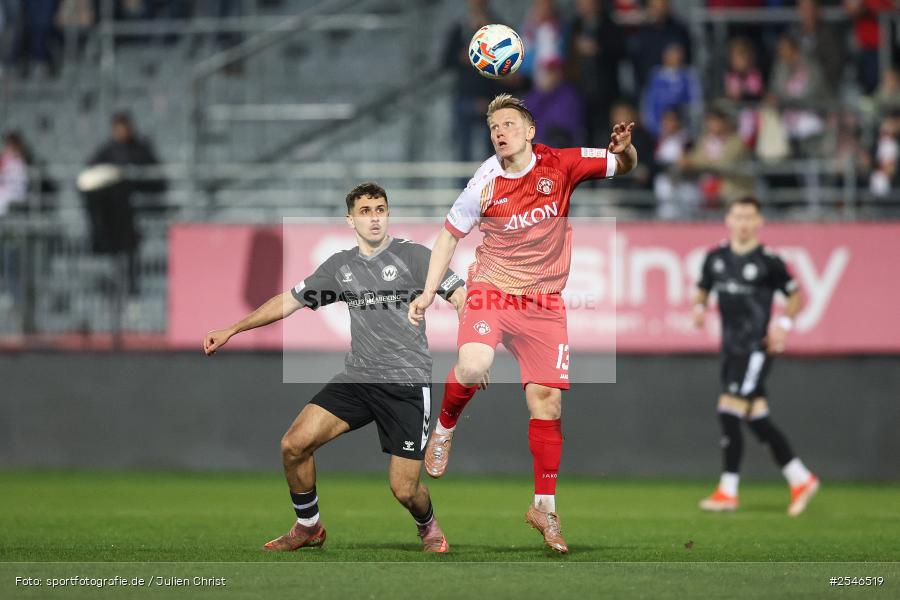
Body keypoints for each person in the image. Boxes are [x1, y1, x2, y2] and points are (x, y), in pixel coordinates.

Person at [407, 94, 637, 554]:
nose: (500, 131)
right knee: (472, 365)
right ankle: (445, 428)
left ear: (530, 131)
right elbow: (447, 237)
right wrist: (430, 290)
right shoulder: (483, 183)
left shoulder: (563, 163)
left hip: (544, 302)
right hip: (491, 288)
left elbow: (624, 165)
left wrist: (625, 148)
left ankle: (544, 508)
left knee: (547, 404)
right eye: (494, 126)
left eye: (509, 123)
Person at [204, 183, 468, 553]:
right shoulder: (341, 267)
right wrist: (232, 328)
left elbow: (461, 295)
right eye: (365, 211)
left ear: (388, 214)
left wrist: (473, 346)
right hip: (359, 379)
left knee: (404, 489)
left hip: (406, 385)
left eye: (380, 209)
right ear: (350, 219)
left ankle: (429, 527)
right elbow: (288, 302)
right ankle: (308, 526)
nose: (374, 217)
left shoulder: (415, 258)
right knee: (294, 445)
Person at [693, 196, 819, 517]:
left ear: (760, 222)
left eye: (750, 217)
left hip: (755, 348)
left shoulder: (769, 261)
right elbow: (703, 287)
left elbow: (795, 295)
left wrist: (784, 323)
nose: (744, 222)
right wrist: (698, 307)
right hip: (731, 349)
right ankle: (800, 478)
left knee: (728, 411)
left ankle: (728, 491)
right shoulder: (715, 258)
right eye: (739, 216)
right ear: (729, 220)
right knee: (757, 419)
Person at [82, 111, 165, 297]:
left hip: (138, 213)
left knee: (132, 255)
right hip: (115, 215)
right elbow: (91, 173)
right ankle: (116, 291)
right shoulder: (107, 151)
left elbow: (156, 178)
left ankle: (132, 293)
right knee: (116, 256)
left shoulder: (141, 150)